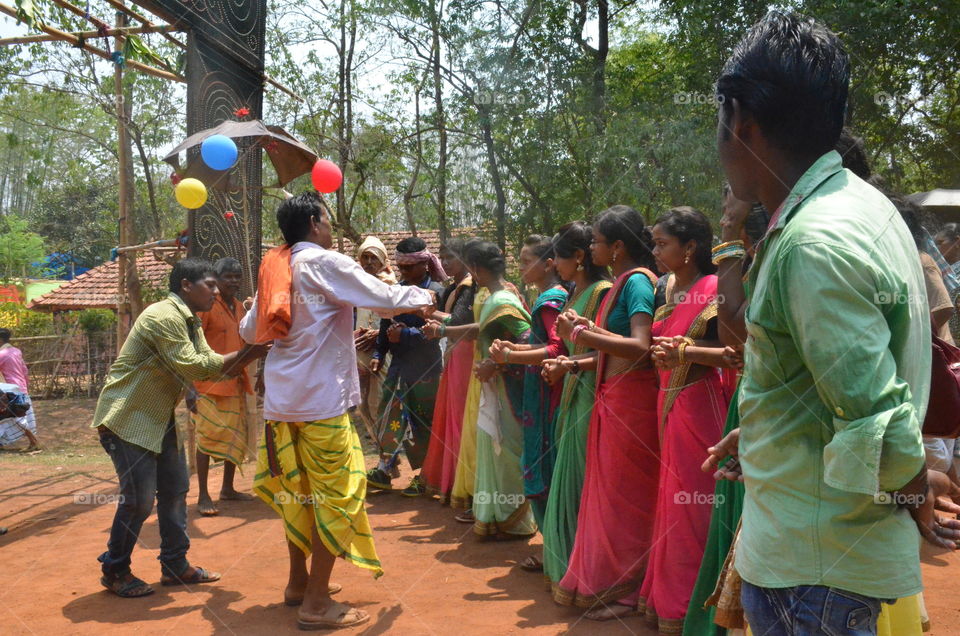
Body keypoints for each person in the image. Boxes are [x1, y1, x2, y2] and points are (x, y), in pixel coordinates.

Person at [713, 12, 960, 635]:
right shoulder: (858, 206)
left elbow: (877, 422)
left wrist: (914, 487)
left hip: (815, 572)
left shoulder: (811, 242)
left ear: (742, 120)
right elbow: (832, 379)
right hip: (823, 558)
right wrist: (767, 432)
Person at [240, 193, 432, 630]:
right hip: (321, 404)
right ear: (314, 222)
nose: (329, 229)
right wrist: (425, 295)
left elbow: (249, 330)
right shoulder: (324, 262)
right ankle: (315, 603)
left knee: (296, 490)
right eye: (326, 221)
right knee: (337, 495)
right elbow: (384, 298)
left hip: (281, 406)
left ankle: (297, 583)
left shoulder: (276, 267)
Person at [92, 257, 267, 598]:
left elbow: (215, 368)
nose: (217, 291)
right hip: (127, 419)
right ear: (186, 286)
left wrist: (248, 354)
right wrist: (249, 352)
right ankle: (115, 570)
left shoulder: (190, 322)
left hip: (156, 419)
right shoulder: (163, 316)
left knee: (174, 491)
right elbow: (195, 365)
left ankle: (175, 565)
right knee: (140, 500)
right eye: (210, 285)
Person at [552, 206, 661, 619]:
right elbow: (612, 342)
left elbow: (640, 346)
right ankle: (618, 584)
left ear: (617, 247)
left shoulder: (636, 283)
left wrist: (579, 333)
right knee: (610, 495)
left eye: (597, 240)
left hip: (631, 401)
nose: (592, 246)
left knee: (626, 496)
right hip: (612, 395)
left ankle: (629, 590)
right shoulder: (620, 283)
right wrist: (587, 330)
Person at [637, 207, 733, 633]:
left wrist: (686, 353)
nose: (655, 251)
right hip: (670, 407)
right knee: (673, 506)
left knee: (695, 512)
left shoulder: (713, 288)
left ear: (690, 247)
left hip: (700, 408)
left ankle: (701, 610)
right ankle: (673, 605)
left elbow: (735, 353)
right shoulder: (668, 287)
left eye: (662, 243)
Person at [533, 222, 611, 582]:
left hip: (593, 396)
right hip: (571, 393)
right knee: (567, 476)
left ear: (578, 258)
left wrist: (570, 364)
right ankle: (568, 563)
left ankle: (585, 570)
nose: (555, 265)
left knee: (580, 481)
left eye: (558, 258)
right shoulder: (575, 292)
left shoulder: (602, 291)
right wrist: (561, 363)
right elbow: (563, 347)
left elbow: (616, 352)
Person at [488, 235, 567, 567]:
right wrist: (513, 352)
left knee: (542, 466)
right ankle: (553, 549)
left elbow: (555, 350)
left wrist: (510, 356)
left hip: (547, 394)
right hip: (542, 390)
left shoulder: (551, 301)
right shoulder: (550, 297)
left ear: (548, 264)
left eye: (524, 260)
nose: (519, 267)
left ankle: (555, 551)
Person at [464, 240, 537, 538]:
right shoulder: (497, 296)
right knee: (494, 448)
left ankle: (514, 521)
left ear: (477, 269)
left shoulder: (503, 300)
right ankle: (496, 517)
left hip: (508, 387)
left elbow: (528, 338)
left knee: (505, 449)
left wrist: (497, 365)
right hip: (497, 384)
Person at [366, 237, 445, 496]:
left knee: (424, 422)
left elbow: (441, 331)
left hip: (426, 369)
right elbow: (385, 326)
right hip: (398, 368)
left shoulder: (437, 292)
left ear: (423, 265)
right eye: (401, 268)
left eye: (409, 268)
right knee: (388, 416)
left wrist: (407, 334)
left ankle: (425, 476)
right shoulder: (397, 290)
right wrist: (379, 352)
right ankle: (384, 469)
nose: (404, 273)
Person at [188, 257, 257, 516]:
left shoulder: (239, 307)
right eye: (228, 276)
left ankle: (227, 489)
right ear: (215, 279)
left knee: (234, 437)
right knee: (206, 438)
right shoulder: (206, 307)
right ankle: (203, 495)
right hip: (206, 384)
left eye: (237, 276)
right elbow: (191, 347)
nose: (234, 281)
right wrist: (189, 386)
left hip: (235, 384)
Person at [421, 238, 476, 503]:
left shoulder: (469, 287)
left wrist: (430, 315)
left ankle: (463, 484)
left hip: (466, 356)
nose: (445, 262)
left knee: (461, 417)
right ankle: (455, 481)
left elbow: (460, 321)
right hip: (456, 355)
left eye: (450, 257)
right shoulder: (455, 287)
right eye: (442, 257)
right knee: (452, 416)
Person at [353, 236, 397, 446]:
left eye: (374, 258)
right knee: (362, 402)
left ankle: (388, 447)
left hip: (384, 350)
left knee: (381, 398)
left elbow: (398, 318)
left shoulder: (391, 285)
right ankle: (379, 442)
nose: (369, 262)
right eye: (365, 257)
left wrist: (377, 333)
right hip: (360, 350)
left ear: (382, 261)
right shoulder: (357, 285)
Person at [0, 329, 39, 451]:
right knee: (16, 416)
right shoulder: (16, 351)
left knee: (14, 417)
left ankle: (35, 442)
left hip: (9, 390)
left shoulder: (2, 354)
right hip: (21, 387)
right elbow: (24, 370)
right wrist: (25, 384)